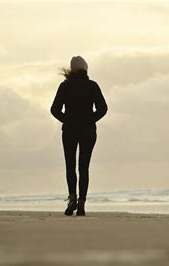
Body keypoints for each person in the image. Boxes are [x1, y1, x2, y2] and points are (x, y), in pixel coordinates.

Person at [50, 56, 107, 216]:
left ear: (72, 69)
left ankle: (72, 200)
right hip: (88, 130)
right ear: (86, 69)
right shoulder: (92, 86)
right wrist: (90, 119)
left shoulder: (65, 86)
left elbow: (54, 109)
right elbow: (103, 108)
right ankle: (81, 205)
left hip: (70, 130)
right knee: (84, 167)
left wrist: (67, 120)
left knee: (70, 166)